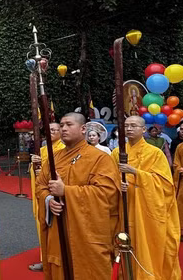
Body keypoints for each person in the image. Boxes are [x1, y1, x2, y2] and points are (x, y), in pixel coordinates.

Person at [36, 113, 120, 280]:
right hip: (59, 228)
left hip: (87, 232)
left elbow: (106, 193)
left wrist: (66, 191)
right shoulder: (54, 158)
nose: (63, 128)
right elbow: (41, 186)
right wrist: (48, 199)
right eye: (61, 125)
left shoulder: (100, 158)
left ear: (83, 129)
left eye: (68, 124)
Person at [112, 116, 181, 279]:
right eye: (126, 126)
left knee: (148, 243)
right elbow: (110, 177)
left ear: (143, 129)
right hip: (125, 204)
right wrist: (117, 185)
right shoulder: (117, 152)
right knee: (126, 239)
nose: (129, 129)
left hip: (147, 208)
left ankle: (149, 274)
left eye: (133, 126)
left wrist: (136, 173)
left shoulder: (155, 153)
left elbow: (165, 184)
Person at [28, 122, 66, 272]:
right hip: (42, 195)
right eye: (50, 130)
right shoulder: (42, 150)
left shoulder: (63, 149)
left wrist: (43, 172)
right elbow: (37, 175)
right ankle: (45, 258)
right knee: (42, 224)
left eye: (56, 129)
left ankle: (58, 259)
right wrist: (34, 167)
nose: (53, 132)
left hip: (56, 195)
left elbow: (61, 173)